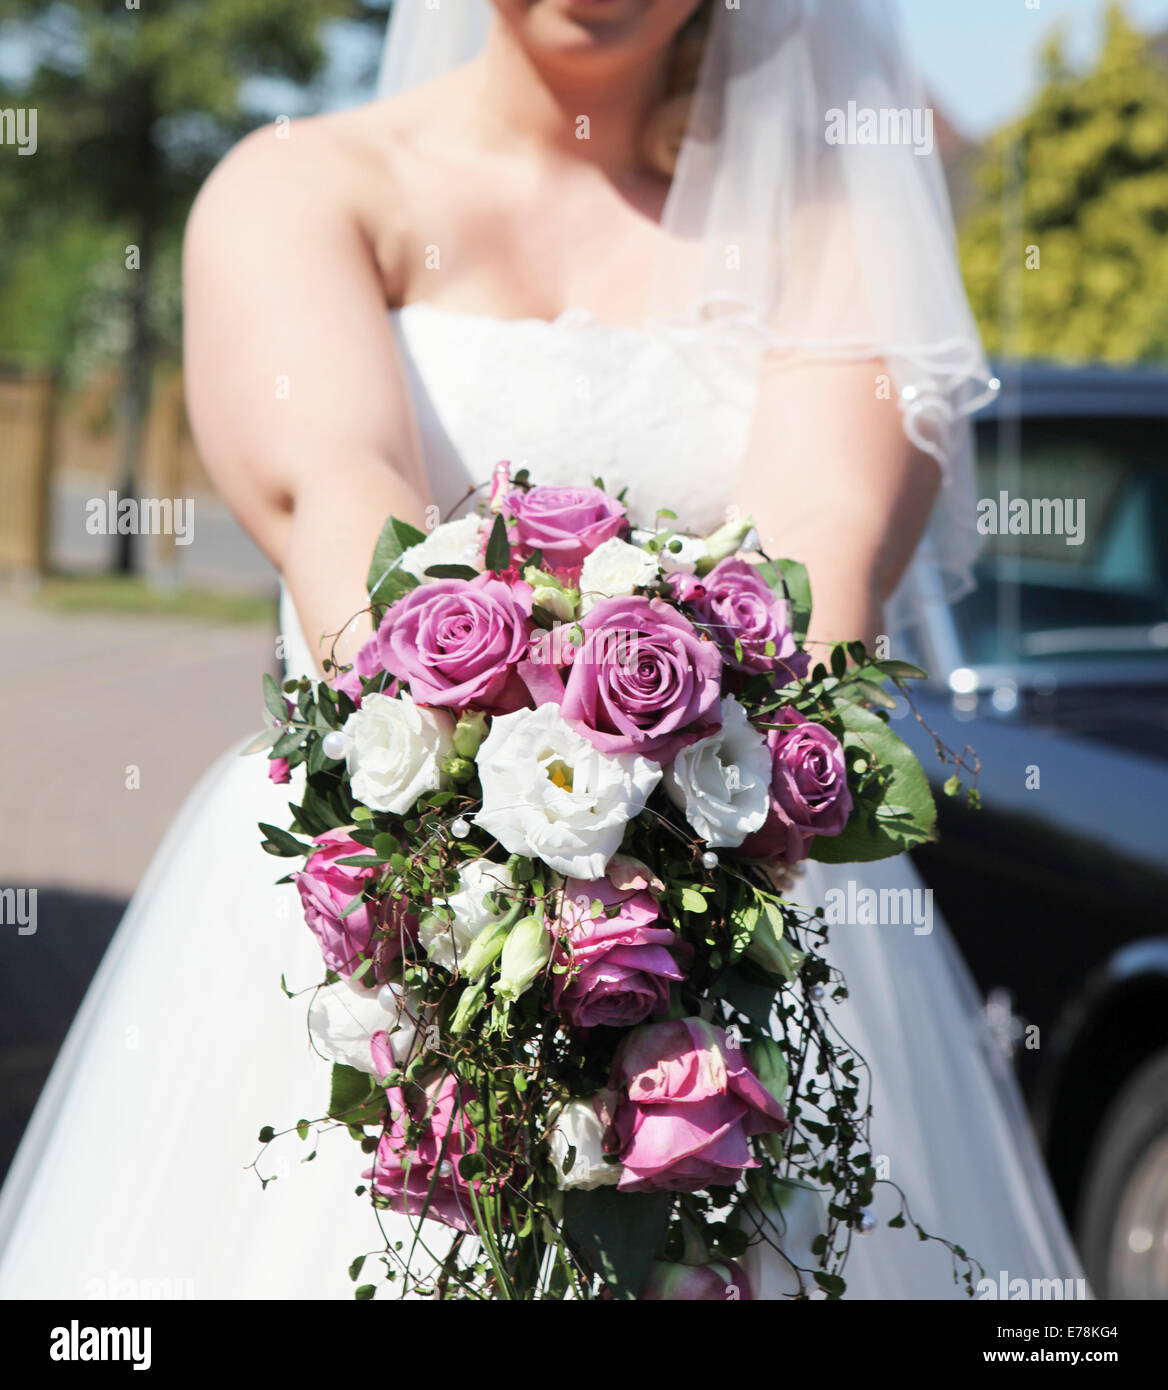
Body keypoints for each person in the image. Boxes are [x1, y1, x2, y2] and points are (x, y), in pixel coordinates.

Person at [0, 0, 1085, 1298]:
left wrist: (652, 916)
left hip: (745, 898)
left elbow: (823, 562)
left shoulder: (833, 225)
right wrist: (489, 868)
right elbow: (341, 509)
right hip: (382, 895)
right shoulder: (302, 189)